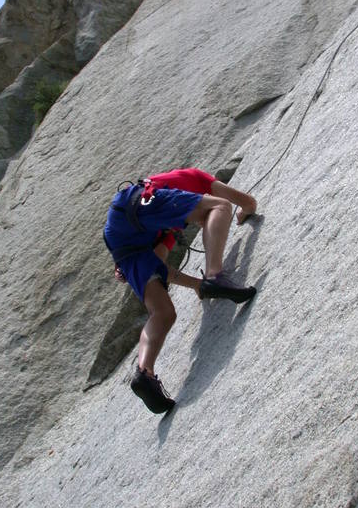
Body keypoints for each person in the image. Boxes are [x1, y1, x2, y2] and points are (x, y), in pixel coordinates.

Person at [103, 168, 257, 414]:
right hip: (139, 201)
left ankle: (145, 372)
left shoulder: (165, 228)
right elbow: (245, 202)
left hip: (123, 238)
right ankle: (215, 273)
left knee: (162, 313)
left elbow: (161, 266)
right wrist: (244, 212)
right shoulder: (196, 179)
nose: (200, 221)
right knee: (221, 207)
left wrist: (198, 285)